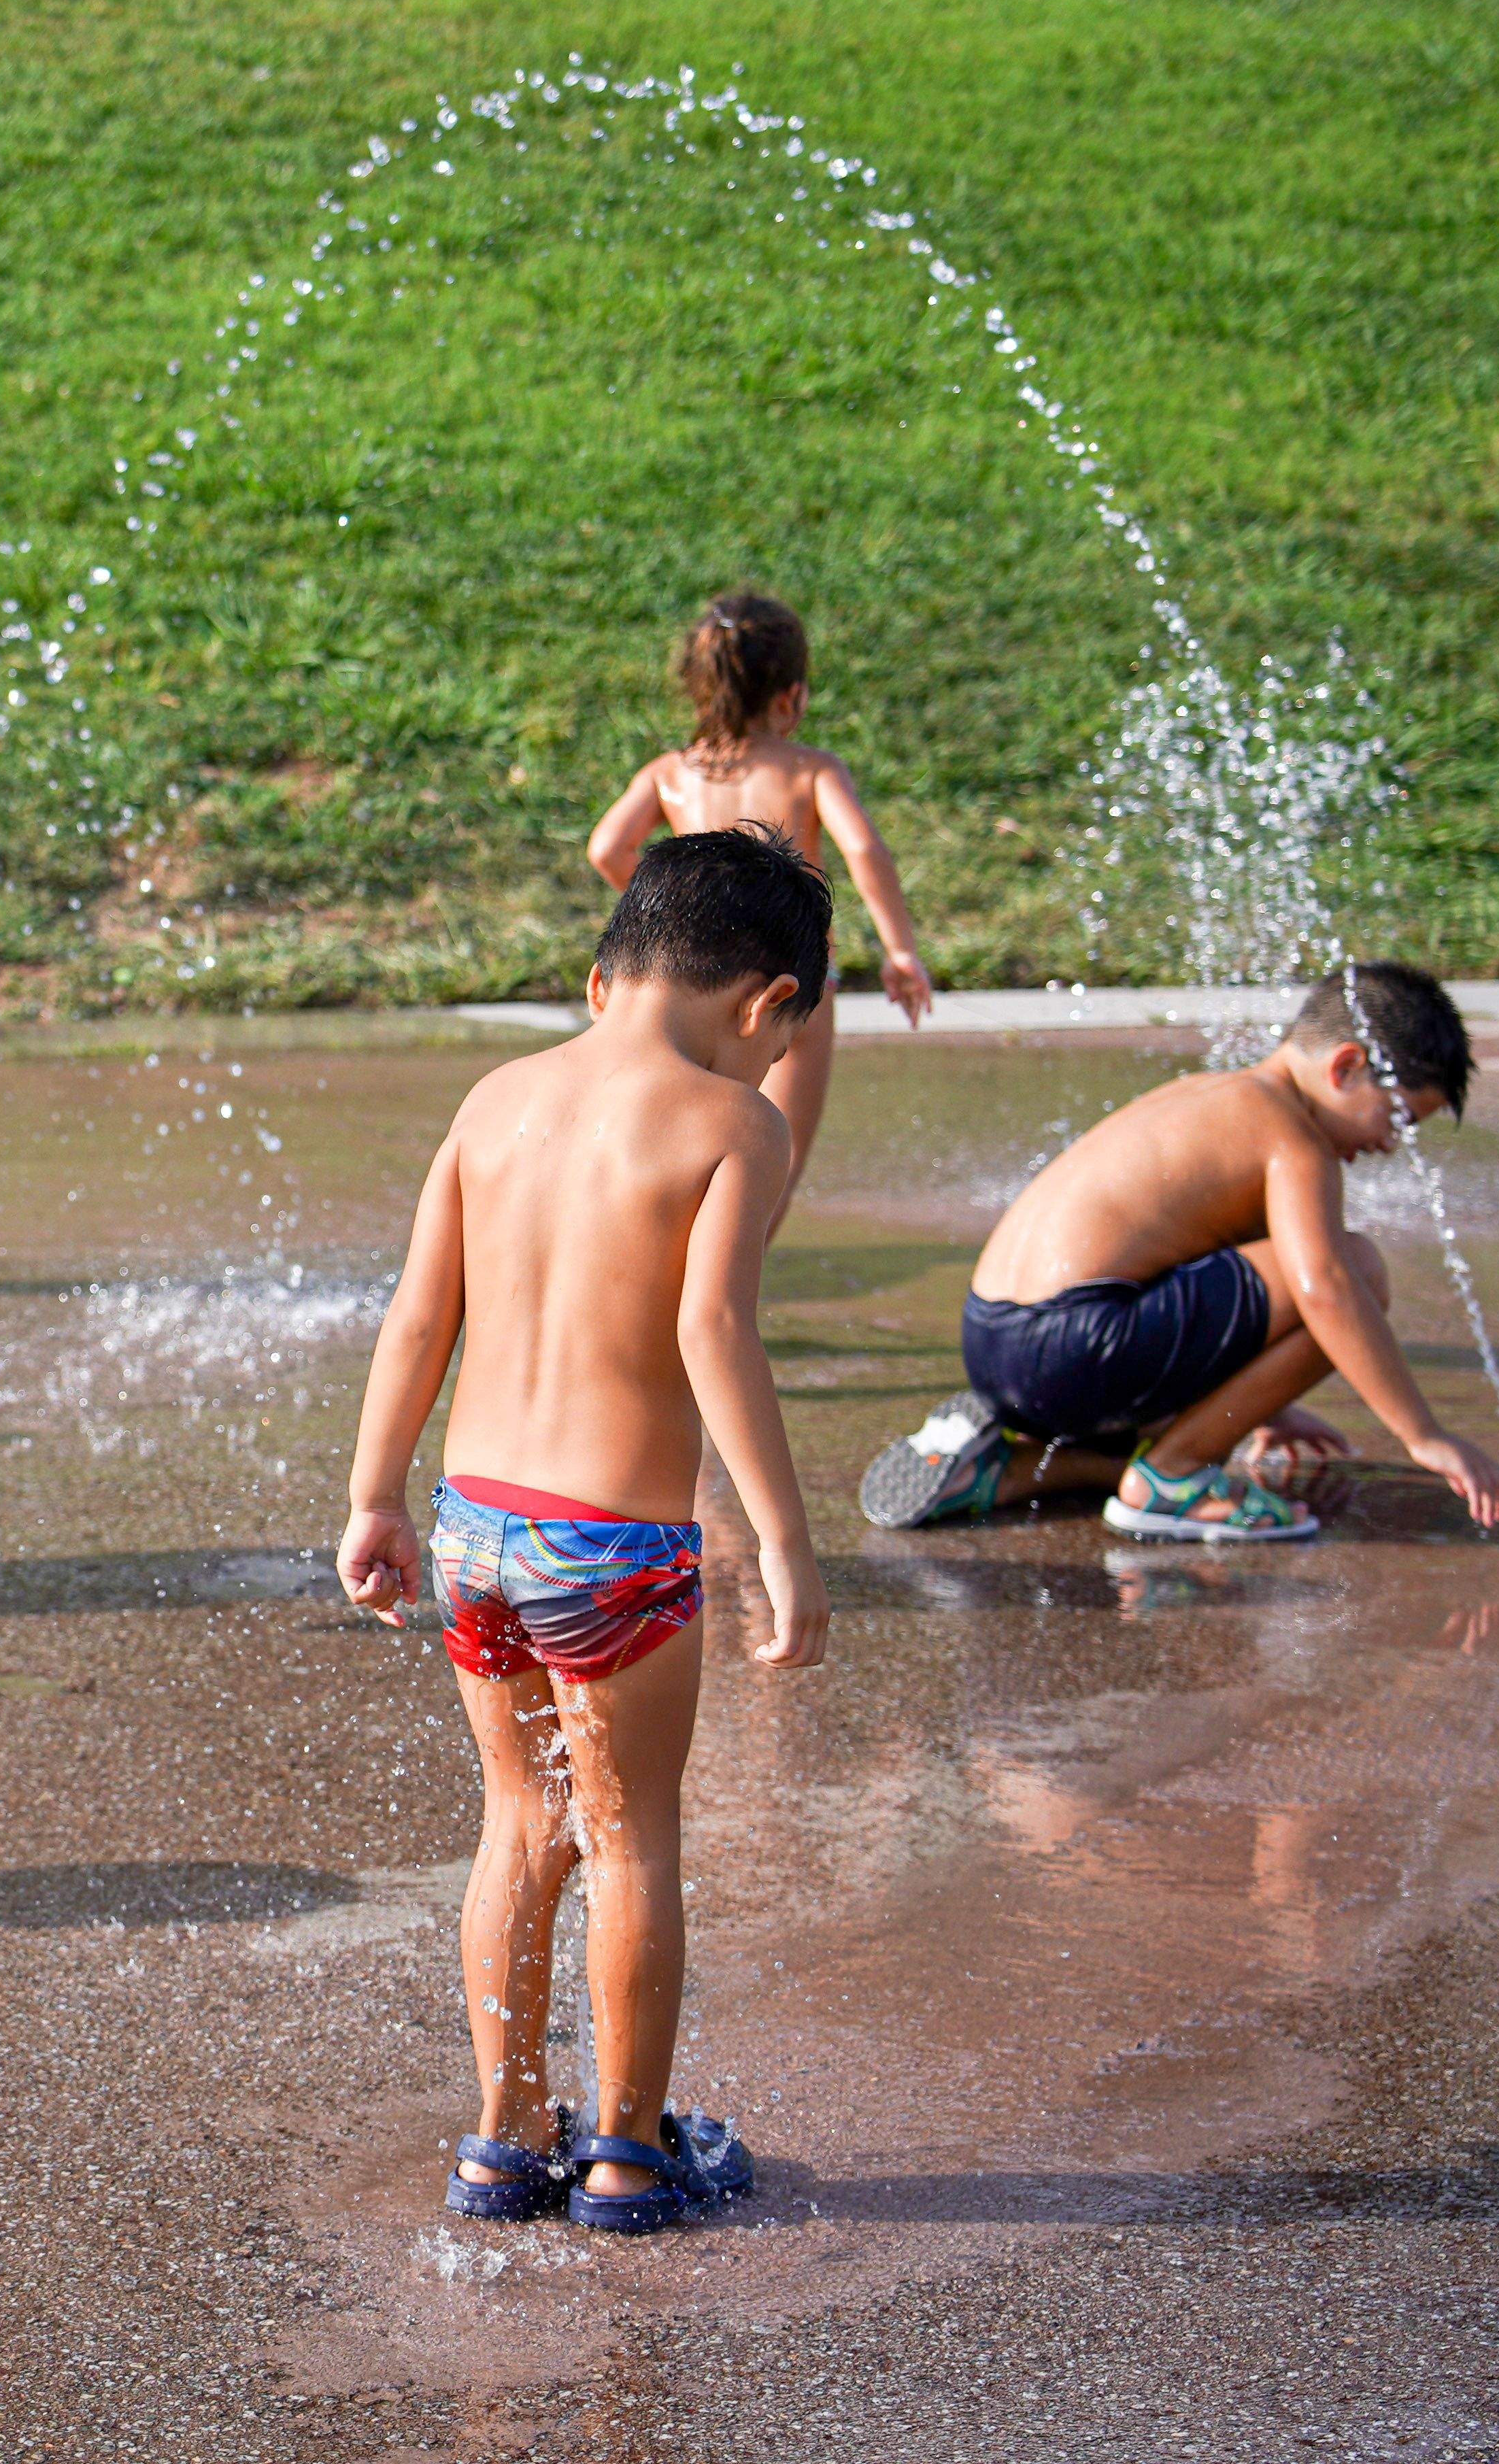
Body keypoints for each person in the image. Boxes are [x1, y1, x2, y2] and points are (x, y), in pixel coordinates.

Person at [335, 828, 835, 2236]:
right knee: (630, 1842)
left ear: (602, 976)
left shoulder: (495, 1098)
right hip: (612, 1550)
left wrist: (375, 1494)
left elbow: (419, 1315)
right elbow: (713, 1329)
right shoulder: (737, 1123)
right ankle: (625, 2152)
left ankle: (504, 2138)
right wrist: (785, 1541)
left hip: (476, 1530)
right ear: (767, 1005)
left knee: (519, 1823)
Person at [861, 961, 1499, 1548]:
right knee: (1358, 1270)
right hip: (1071, 1350)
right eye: (1397, 1119)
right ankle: (1172, 1479)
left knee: (1304, 1285)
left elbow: (1221, 1288)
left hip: (996, 1343)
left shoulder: (1212, 1095)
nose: (1391, 1145)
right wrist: (1424, 1435)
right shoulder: (1293, 1139)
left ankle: (1015, 1466)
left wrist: (1266, 1404)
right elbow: (1325, 1290)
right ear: (1345, 1067)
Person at [583, 591, 934, 1206]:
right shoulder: (810, 770)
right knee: (768, 1171)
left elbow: (608, 849)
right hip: (791, 982)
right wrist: (900, 951)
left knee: (675, 1150)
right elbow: (863, 849)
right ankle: (746, 1252)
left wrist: (683, 918)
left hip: (692, 980)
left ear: (699, 690)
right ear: (791, 697)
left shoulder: (671, 773)